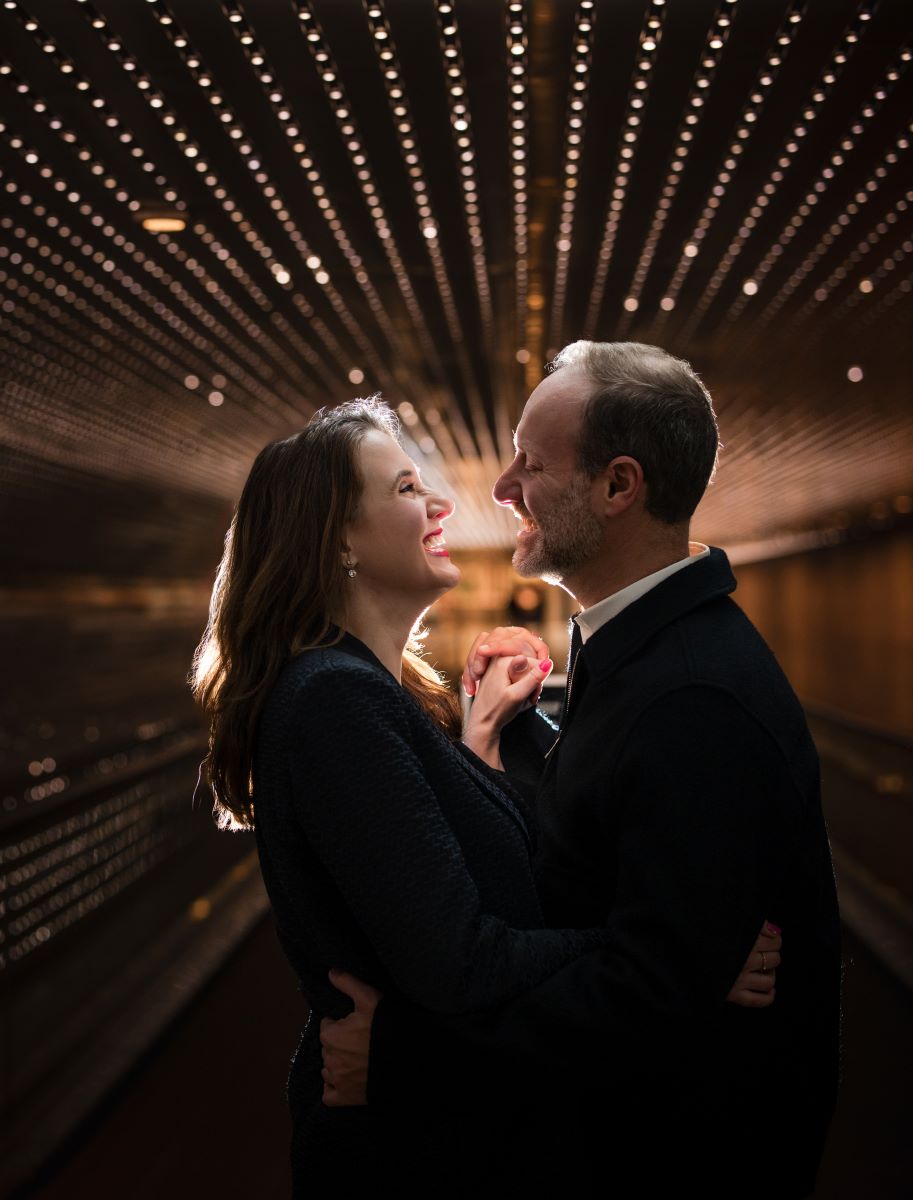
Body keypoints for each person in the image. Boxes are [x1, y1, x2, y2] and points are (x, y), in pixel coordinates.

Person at [189, 396, 782, 1194]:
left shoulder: (371, 693)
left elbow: (469, 878)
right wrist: (681, 960)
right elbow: (464, 963)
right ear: (337, 541)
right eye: (405, 490)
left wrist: (481, 744)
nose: (441, 503)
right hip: (413, 1157)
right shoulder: (335, 702)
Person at [322, 342, 840, 1198]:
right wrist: (510, 732)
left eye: (532, 460)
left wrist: (409, 1050)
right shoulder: (641, 652)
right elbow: (606, 850)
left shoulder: (692, 697)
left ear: (617, 487)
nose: (501, 486)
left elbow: (647, 997)